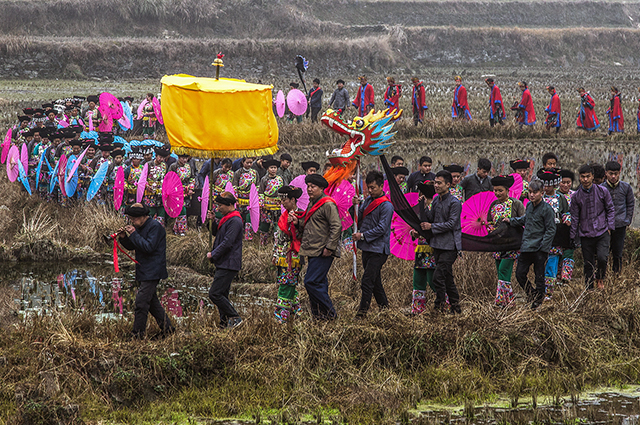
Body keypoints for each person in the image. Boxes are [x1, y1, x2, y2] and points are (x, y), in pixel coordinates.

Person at [118, 203, 175, 339]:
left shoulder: (155, 227)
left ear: (143, 216)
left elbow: (148, 247)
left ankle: (137, 335)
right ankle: (168, 330)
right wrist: (124, 238)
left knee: (141, 303)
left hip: (153, 270)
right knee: (152, 304)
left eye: (134, 219)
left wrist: (133, 233)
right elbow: (134, 245)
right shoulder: (141, 226)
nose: (132, 221)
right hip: (144, 269)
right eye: (130, 219)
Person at [293, 173, 342, 320]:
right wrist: (298, 222)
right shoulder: (312, 203)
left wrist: (330, 247)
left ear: (321, 188)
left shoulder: (328, 204)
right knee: (319, 283)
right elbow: (310, 224)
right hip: (313, 249)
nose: (309, 189)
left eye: (313, 187)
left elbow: (336, 226)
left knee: (311, 282)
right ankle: (319, 316)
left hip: (323, 250)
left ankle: (331, 314)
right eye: (308, 186)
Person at [504, 181, 555, 309]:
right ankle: (532, 294)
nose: (531, 195)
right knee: (520, 274)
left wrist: (544, 247)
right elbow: (525, 219)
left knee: (539, 276)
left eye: (535, 192)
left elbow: (551, 230)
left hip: (539, 248)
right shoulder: (530, 207)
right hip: (527, 246)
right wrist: (511, 221)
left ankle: (538, 300)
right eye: (530, 192)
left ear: (541, 193)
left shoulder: (547, 209)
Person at [353, 171, 394, 317]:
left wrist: (362, 235)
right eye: (368, 188)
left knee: (367, 281)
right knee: (375, 282)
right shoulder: (368, 201)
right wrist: (355, 207)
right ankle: (385, 309)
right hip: (366, 247)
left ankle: (362, 313)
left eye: (373, 188)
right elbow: (359, 219)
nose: (370, 191)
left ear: (381, 186)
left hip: (378, 249)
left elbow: (382, 228)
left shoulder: (386, 206)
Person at [420, 170, 462, 313]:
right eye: (435, 183)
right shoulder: (437, 200)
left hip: (450, 246)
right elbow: (431, 217)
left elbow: (451, 224)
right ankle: (456, 308)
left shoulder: (455, 203)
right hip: (437, 244)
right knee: (448, 279)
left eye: (439, 183)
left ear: (448, 185)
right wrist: (424, 206)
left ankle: (440, 306)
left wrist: (431, 226)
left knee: (437, 278)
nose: (436, 186)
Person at [570, 164, 615, 290]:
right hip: (586, 233)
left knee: (602, 257)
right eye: (583, 177)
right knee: (588, 263)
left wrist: (610, 227)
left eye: (588, 177)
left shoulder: (602, 191)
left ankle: (600, 278)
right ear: (579, 178)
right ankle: (589, 288)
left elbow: (610, 209)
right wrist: (573, 235)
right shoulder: (576, 196)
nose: (585, 179)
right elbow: (574, 217)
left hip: (602, 231)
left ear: (592, 177)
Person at [206, 192, 244, 329]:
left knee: (214, 293)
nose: (218, 208)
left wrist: (213, 254)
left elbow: (228, 242)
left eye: (220, 205)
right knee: (222, 294)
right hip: (223, 261)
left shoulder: (235, 221)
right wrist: (212, 221)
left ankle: (235, 317)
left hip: (229, 262)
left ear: (229, 205)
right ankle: (224, 323)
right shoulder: (226, 218)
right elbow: (217, 232)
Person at [486, 175, 525, 306]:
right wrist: (489, 228)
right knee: (501, 273)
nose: (497, 193)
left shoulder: (516, 204)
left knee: (503, 270)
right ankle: (510, 301)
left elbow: (524, 220)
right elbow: (490, 222)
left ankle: (501, 301)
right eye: (495, 190)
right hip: (497, 244)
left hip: (512, 243)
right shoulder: (493, 205)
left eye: (500, 190)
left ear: (507, 190)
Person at [272, 186, 304, 323]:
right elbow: (277, 237)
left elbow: (302, 236)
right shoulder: (283, 215)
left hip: (294, 256)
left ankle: (282, 316)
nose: (282, 203)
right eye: (281, 200)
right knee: (286, 282)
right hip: (281, 255)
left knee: (286, 284)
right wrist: (275, 254)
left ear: (292, 199)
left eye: (284, 200)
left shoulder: (301, 215)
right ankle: (296, 311)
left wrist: (295, 225)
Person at [538, 169, 571, 301]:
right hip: (541, 234)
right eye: (544, 186)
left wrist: (567, 219)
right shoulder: (540, 198)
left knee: (552, 264)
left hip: (556, 234)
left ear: (554, 185)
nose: (546, 188)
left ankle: (548, 293)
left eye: (549, 186)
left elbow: (566, 212)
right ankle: (540, 289)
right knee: (541, 264)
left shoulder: (560, 198)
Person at [602, 161, 635, 274]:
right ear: (606, 173)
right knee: (603, 252)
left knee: (618, 253)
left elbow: (630, 204)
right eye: (611, 173)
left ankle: (617, 275)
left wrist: (628, 220)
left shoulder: (626, 188)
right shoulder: (601, 188)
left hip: (620, 225)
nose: (613, 177)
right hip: (604, 227)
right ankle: (602, 275)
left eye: (616, 174)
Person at [410, 181, 437, 314]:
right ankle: (417, 309)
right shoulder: (420, 208)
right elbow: (416, 226)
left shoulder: (436, 207)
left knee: (433, 281)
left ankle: (444, 305)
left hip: (433, 249)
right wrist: (413, 233)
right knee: (418, 280)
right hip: (420, 250)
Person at [258, 159, 285, 245]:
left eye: (275, 168)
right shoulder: (264, 179)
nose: (273, 169)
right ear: (267, 169)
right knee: (265, 225)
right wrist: (261, 203)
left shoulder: (280, 179)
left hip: (278, 205)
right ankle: (263, 242)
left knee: (278, 224)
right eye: (271, 168)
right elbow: (261, 192)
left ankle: (277, 242)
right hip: (267, 206)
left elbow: (284, 190)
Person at [168, 154, 196, 235]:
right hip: (176, 191)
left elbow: (192, 177)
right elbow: (169, 178)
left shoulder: (188, 166)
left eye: (186, 158)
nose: (184, 160)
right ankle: (182, 230)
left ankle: (176, 229)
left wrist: (191, 188)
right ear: (179, 158)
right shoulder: (173, 166)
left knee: (182, 209)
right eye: (183, 158)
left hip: (186, 191)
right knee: (181, 209)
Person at [232, 157, 259, 240]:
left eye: (251, 163)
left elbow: (257, 186)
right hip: (240, 199)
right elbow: (235, 186)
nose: (249, 165)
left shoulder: (255, 173)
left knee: (249, 217)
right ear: (243, 162)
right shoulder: (238, 173)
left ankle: (248, 237)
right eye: (247, 162)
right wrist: (235, 199)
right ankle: (237, 235)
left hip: (250, 200)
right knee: (239, 218)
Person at [142, 146, 169, 226]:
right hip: (150, 191)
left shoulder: (164, 166)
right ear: (156, 156)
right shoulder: (148, 164)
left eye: (163, 158)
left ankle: (159, 227)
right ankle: (148, 226)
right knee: (151, 211)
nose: (161, 159)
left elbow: (166, 178)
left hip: (161, 191)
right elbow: (143, 178)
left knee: (161, 210)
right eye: (160, 157)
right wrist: (147, 186)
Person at [558, 169, 576, 283]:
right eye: (563, 182)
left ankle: (566, 278)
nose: (565, 185)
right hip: (558, 230)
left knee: (569, 252)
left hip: (571, 229)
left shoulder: (575, 195)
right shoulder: (555, 196)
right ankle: (557, 278)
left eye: (568, 182)